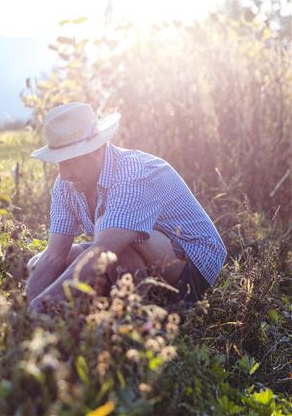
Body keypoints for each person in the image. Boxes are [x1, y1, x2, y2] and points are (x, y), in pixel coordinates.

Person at [26, 102, 226, 312]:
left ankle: (143, 317)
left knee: (108, 231)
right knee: (36, 263)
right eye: (59, 163)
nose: (64, 174)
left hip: (193, 264)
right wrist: (26, 310)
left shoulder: (134, 173)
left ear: (98, 150)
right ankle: (105, 311)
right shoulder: (65, 185)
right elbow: (53, 256)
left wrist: (42, 304)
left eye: (70, 161)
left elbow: (103, 252)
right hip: (143, 257)